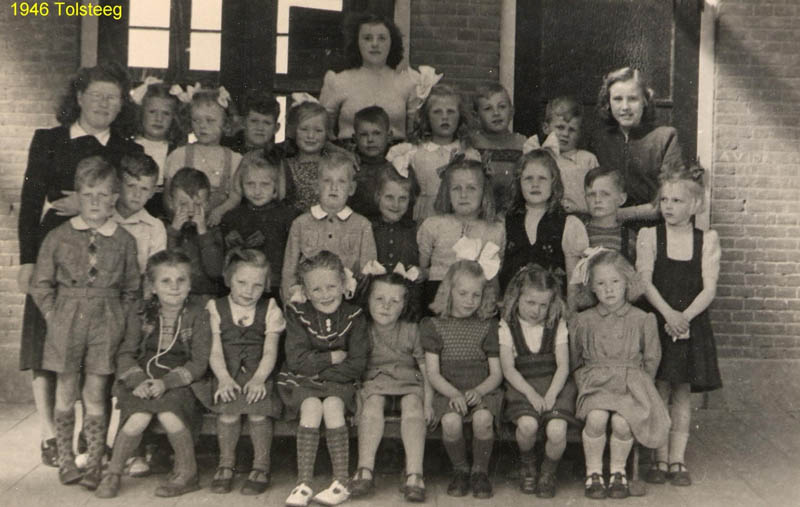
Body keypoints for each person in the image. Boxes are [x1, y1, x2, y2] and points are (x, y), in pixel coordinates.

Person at [17, 64, 141, 468]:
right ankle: (50, 436)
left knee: (96, 351)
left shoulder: (127, 149)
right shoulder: (49, 139)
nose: (104, 104)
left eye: (113, 97)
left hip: (104, 253)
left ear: (122, 105)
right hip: (54, 249)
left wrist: (93, 205)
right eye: (97, 95)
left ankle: (92, 438)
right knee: (46, 344)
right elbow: (30, 201)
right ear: (80, 97)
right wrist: (28, 259)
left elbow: (137, 199)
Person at [29, 156, 140, 489]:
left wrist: (118, 319)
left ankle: (94, 463)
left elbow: (132, 288)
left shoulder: (124, 240)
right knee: (65, 390)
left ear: (114, 198)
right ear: (77, 196)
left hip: (105, 320)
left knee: (95, 392)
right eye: (88, 195)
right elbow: (41, 284)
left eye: (103, 195)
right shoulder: (58, 237)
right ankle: (65, 461)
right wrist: (54, 315)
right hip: (66, 319)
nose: (95, 202)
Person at [95, 250, 211, 499]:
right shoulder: (141, 312)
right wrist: (137, 381)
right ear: (153, 287)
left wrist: (167, 382)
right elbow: (126, 353)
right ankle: (114, 472)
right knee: (138, 416)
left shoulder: (199, 314)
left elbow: (199, 362)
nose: (174, 287)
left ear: (190, 284)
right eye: (165, 281)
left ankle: (187, 473)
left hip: (180, 379)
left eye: (181, 280)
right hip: (142, 375)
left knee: (169, 414)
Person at [637, 165, 722, 487]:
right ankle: (658, 458)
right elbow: (645, 282)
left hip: (690, 323)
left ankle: (677, 459)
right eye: (665, 200)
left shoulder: (707, 240)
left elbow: (709, 289)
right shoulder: (650, 237)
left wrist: (684, 317)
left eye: (677, 201)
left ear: (695, 205)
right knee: (659, 389)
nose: (669, 207)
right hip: (660, 321)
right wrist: (669, 315)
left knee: (682, 393)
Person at [570, 250, 670, 499]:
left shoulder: (642, 319)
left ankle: (618, 472)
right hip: (596, 384)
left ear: (627, 282)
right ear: (592, 288)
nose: (609, 289)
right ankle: (593, 472)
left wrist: (640, 383)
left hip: (631, 385)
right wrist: (584, 380)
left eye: (615, 281)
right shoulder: (583, 320)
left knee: (623, 423)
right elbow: (575, 359)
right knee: (596, 418)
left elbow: (652, 358)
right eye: (601, 283)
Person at [277, 251, 370, 506]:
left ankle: (341, 481)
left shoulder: (354, 316)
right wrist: (331, 358)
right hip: (303, 381)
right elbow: (296, 360)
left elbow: (357, 363)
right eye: (316, 289)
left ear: (343, 284)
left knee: (332, 405)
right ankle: (304, 483)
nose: (325, 294)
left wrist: (318, 369)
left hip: (341, 382)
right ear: (305, 292)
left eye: (331, 286)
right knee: (310, 406)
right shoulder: (298, 314)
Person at [198, 249, 285, 495]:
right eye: (242, 282)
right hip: (226, 373)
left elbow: (270, 351)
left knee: (258, 414)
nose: (249, 291)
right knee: (228, 413)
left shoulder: (270, 308)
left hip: (260, 372)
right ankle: (226, 464)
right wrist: (224, 379)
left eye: (257, 285)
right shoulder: (215, 307)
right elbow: (214, 350)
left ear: (266, 285)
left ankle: (261, 466)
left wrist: (259, 379)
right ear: (228, 279)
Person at [421, 260, 503, 499]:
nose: (470, 301)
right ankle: (460, 469)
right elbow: (433, 373)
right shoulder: (433, 325)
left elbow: (496, 373)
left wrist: (479, 391)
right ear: (449, 291)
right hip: (448, 390)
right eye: (463, 293)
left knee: (483, 419)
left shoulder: (488, 326)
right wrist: (453, 394)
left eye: (476, 295)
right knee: (450, 422)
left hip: (482, 390)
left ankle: (480, 471)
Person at [349, 273, 432, 502]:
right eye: (379, 299)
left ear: (405, 305)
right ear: (367, 299)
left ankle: (414, 474)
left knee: (413, 406)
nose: (386, 306)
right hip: (374, 383)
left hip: (409, 382)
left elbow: (425, 370)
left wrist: (428, 402)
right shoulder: (362, 329)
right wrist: (357, 403)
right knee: (372, 405)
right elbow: (355, 369)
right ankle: (365, 469)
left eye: (394, 301)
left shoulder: (412, 329)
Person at [499, 264, 576, 498]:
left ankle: (548, 472)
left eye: (543, 305)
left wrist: (551, 394)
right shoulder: (507, 325)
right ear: (517, 298)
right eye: (530, 303)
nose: (536, 310)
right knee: (527, 426)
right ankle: (528, 463)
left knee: (557, 430)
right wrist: (531, 394)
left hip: (554, 384)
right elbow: (508, 369)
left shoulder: (556, 324)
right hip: (523, 385)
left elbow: (563, 366)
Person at [591, 67, 684, 230]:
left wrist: (622, 214)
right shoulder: (598, 140)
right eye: (617, 99)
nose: (625, 107)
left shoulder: (665, 137)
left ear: (645, 101)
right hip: (606, 230)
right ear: (608, 103)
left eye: (633, 99)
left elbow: (671, 199)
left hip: (652, 231)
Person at [281, 151, 377, 304]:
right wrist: (291, 303)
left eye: (341, 181)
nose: (334, 187)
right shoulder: (300, 224)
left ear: (351, 188)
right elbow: (289, 271)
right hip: (309, 302)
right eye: (327, 181)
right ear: (316, 186)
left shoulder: (362, 225)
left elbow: (368, 273)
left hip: (347, 302)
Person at [417, 156, 504, 313]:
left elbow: (494, 275)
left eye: (471, 188)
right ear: (447, 192)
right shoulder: (433, 225)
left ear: (484, 192)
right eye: (456, 188)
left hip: (475, 301)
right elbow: (422, 269)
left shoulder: (495, 230)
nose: (463, 195)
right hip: (437, 299)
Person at [387, 84, 481, 222]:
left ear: (460, 116)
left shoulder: (468, 154)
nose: (445, 117)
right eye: (437, 112)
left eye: (451, 111)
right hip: (425, 216)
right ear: (427, 117)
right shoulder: (414, 152)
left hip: (457, 217)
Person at [498, 149, 587, 295]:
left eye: (542, 178)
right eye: (528, 178)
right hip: (512, 303)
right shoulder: (504, 222)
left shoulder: (568, 224)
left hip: (552, 304)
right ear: (519, 183)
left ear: (553, 182)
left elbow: (573, 283)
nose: (535, 184)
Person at [319, 13, 416, 143]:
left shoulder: (406, 83)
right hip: (348, 154)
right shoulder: (338, 81)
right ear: (356, 42)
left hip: (397, 154)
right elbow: (324, 131)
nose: (375, 44)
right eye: (367, 38)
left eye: (382, 38)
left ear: (392, 43)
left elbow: (413, 134)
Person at [219, 150, 297, 301]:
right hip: (241, 289)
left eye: (265, 184)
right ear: (241, 184)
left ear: (276, 186)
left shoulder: (288, 216)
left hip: (275, 288)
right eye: (250, 184)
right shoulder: (232, 217)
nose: (257, 191)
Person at [163, 86, 243, 225]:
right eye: (196, 120)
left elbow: (235, 196)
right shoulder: (179, 155)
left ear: (225, 122)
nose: (202, 126)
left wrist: (220, 211)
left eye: (210, 120)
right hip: (184, 225)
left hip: (218, 225)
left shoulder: (235, 159)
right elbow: (168, 196)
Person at [369, 165, 423, 320]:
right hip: (375, 304)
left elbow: (426, 266)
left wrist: (422, 272)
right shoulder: (367, 227)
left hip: (408, 305)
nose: (395, 205)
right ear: (378, 196)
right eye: (389, 197)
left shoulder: (417, 230)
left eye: (402, 198)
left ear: (411, 199)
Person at [130, 78, 187, 218]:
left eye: (166, 113)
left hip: (165, 208)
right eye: (152, 112)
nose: (158, 119)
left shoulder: (176, 150)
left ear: (174, 118)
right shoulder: (130, 146)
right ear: (141, 113)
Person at [282, 99, 351, 213]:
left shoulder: (335, 165)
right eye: (304, 129)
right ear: (294, 131)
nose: (310, 136)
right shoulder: (285, 166)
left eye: (318, 130)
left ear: (327, 133)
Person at [166, 167, 225, 299]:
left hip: (205, 296)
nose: (191, 210)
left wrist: (203, 232)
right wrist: (174, 231)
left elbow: (215, 272)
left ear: (208, 204)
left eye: (198, 204)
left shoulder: (213, 231)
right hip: (173, 294)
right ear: (171, 203)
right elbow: (166, 265)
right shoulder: (166, 229)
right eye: (183, 204)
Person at [470, 82, 527, 214]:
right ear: (476, 116)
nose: (496, 113)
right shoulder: (472, 143)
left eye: (502, 107)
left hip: (513, 211)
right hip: (480, 211)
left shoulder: (522, 143)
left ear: (512, 111)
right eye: (488, 109)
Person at [112, 152, 167, 278]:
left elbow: (154, 274)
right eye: (131, 186)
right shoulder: (102, 217)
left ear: (152, 192)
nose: (137, 194)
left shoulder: (155, 227)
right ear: (118, 184)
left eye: (144, 189)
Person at [540, 96, 598, 214]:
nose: (565, 134)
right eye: (560, 127)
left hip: (582, 216)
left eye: (572, 130)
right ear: (546, 128)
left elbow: (598, 192)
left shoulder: (587, 159)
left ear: (579, 133)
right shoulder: (540, 158)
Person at [347, 105, 396, 220]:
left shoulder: (398, 165)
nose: (370, 140)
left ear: (389, 136)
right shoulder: (350, 166)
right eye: (364, 134)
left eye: (377, 133)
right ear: (355, 138)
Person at [222, 89, 281, 155]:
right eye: (254, 121)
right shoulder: (229, 155)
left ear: (276, 128)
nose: (260, 128)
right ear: (243, 123)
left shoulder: (282, 158)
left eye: (267, 123)